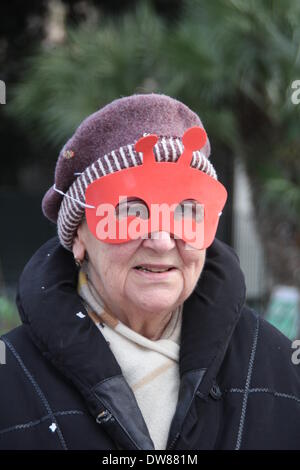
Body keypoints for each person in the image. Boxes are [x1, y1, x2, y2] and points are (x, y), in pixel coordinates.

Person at [0, 93, 299, 450]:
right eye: (130, 211)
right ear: (79, 237)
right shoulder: (11, 380)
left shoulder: (279, 367)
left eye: (186, 209)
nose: (160, 240)